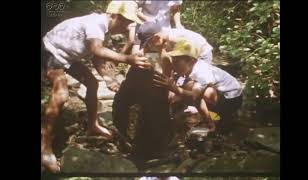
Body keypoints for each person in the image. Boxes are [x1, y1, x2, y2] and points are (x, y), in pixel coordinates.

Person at [41, 1, 151, 173]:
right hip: (51, 51)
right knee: (61, 94)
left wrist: (107, 78)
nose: (126, 27)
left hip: (67, 57)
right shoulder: (96, 23)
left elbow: (95, 56)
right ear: (113, 15)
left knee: (92, 83)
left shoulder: (104, 29)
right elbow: (97, 50)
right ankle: (44, 146)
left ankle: (93, 125)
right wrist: (127, 59)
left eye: (128, 23)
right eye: (124, 21)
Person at [152, 39, 243, 132]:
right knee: (187, 88)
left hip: (232, 100)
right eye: (173, 61)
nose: (173, 65)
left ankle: (212, 121)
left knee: (201, 91)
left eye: (176, 62)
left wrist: (172, 87)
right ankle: (207, 114)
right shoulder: (189, 68)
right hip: (223, 94)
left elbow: (194, 96)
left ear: (191, 61)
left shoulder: (201, 72)